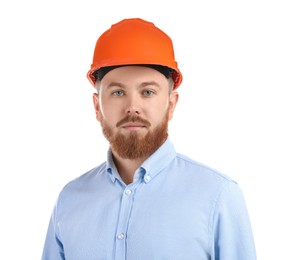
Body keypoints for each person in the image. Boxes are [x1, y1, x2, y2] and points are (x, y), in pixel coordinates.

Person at [41, 18, 257, 260]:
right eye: (118, 92)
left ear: (171, 104)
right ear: (97, 106)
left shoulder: (218, 196)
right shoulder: (70, 200)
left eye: (148, 92)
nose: (132, 107)